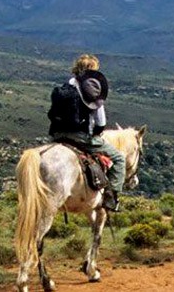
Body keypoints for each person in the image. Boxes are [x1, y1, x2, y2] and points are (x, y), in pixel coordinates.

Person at [48, 54, 126, 211]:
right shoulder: (91, 90)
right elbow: (101, 122)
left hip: (57, 135)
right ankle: (111, 198)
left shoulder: (65, 87)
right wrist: (96, 133)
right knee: (119, 159)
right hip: (80, 137)